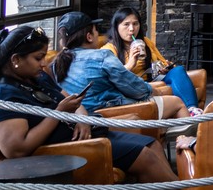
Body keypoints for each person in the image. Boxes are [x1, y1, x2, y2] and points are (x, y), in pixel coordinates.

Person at [0, 25, 193, 190]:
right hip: (67, 152)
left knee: (150, 144)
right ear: (15, 60)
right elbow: (16, 150)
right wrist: (59, 114)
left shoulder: (36, 78)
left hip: (88, 134)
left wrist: (82, 120)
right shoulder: (1, 95)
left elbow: (73, 101)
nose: (44, 64)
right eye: (38, 58)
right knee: (145, 157)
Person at [53, 12, 191, 121]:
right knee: (177, 103)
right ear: (89, 37)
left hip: (81, 117)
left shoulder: (57, 63)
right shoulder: (102, 55)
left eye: (135, 24)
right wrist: (153, 91)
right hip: (111, 113)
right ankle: (186, 144)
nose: (98, 35)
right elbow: (133, 87)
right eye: (96, 31)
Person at [102, 7, 203, 117]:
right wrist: (130, 63)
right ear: (116, 27)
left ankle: (193, 110)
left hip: (152, 79)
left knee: (178, 71)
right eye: (126, 24)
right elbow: (111, 78)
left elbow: (161, 62)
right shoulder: (109, 50)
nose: (131, 29)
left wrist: (164, 68)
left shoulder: (145, 42)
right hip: (134, 86)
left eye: (135, 24)